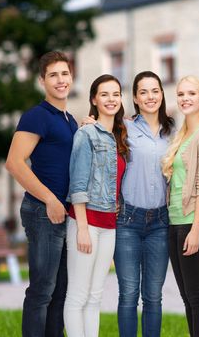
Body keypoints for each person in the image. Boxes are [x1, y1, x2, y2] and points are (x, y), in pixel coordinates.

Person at [5, 51, 78, 337]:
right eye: (53, 75)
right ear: (42, 81)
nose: (60, 80)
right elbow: (14, 163)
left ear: (71, 77)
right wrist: (49, 199)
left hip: (63, 213)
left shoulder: (69, 120)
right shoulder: (36, 116)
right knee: (42, 291)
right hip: (42, 211)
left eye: (64, 73)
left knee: (60, 291)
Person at [63, 74, 129, 337]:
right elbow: (77, 184)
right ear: (94, 99)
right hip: (86, 223)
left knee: (95, 295)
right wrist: (81, 228)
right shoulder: (86, 134)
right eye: (104, 94)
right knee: (78, 294)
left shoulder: (120, 138)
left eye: (115, 94)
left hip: (109, 225)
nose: (111, 99)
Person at [115, 71, 174, 337]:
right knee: (128, 294)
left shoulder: (173, 132)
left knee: (153, 296)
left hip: (161, 223)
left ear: (162, 94)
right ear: (136, 99)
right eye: (143, 92)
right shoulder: (124, 128)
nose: (150, 97)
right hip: (127, 221)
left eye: (155, 91)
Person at [162, 76, 199, 337]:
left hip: (194, 223)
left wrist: (195, 230)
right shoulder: (183, 134)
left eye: (192, 94)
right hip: (175, 223)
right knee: (186, 297)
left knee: (196, 295)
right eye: (181, 94)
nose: (185, 98)